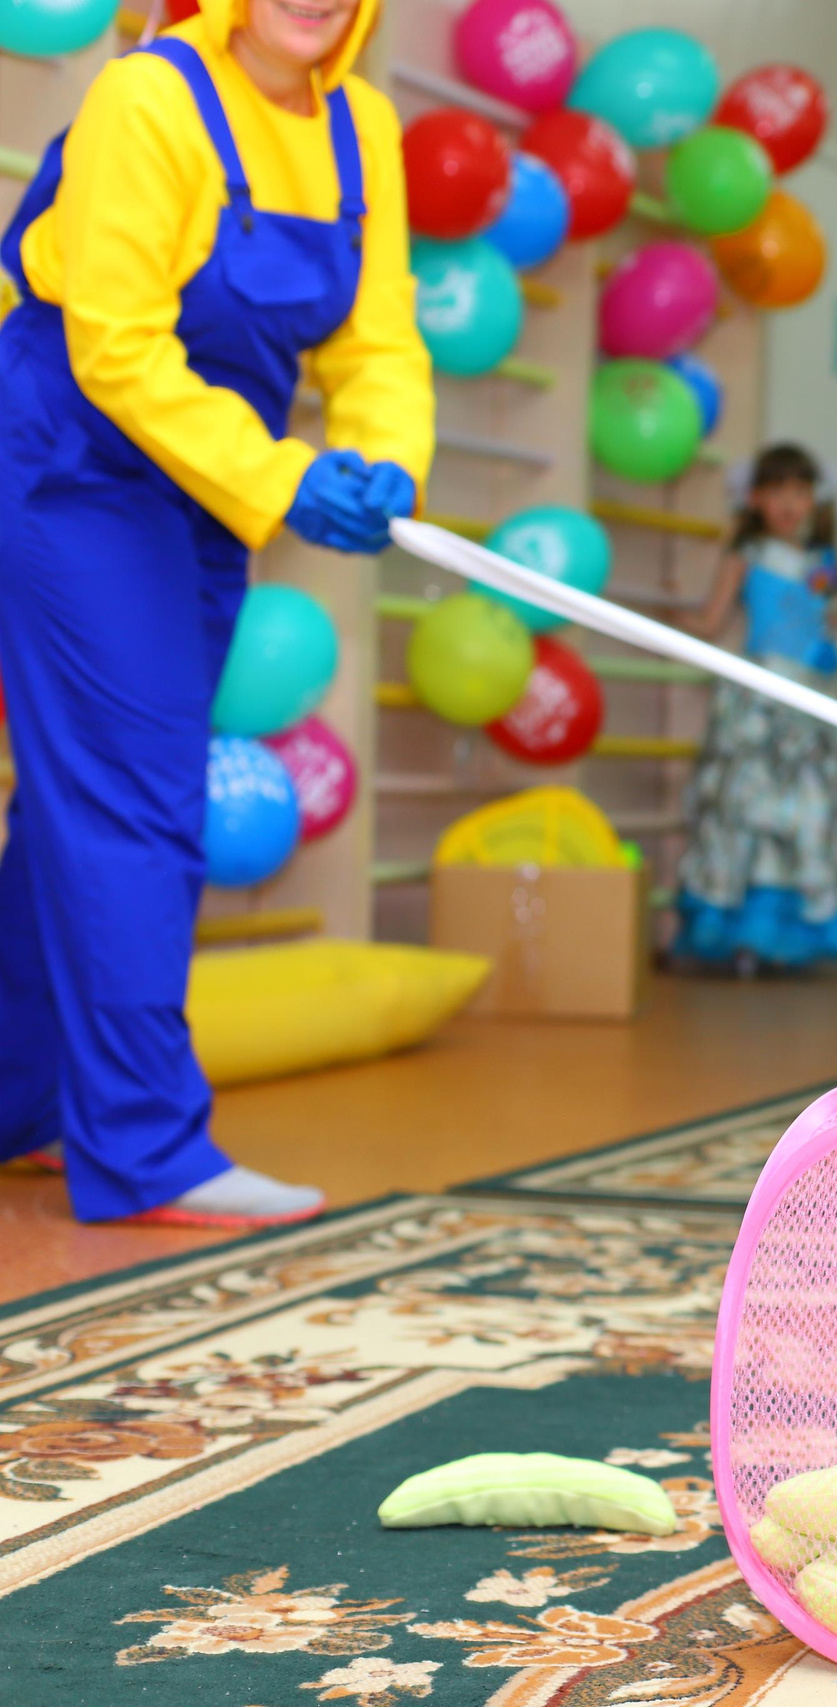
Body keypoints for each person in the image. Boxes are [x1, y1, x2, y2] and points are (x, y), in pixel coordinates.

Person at [0, 0, 430, 1227]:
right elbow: (120, 349)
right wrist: (289, 477)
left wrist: (384, 458)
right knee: (137, 795)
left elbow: (379, 343)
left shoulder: (363, 130)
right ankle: (145, 1150)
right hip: (74, 462)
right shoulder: (152, 98)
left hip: (203, 487)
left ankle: (23, 1100)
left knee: (78, 803)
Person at [670, 443, 837, 973]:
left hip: (817, 693)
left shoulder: (820, 562)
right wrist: (664, 617)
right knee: (751, 804)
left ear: (813, 499)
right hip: (764, 693)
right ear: (755, 500)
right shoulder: (744, 556)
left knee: (810, 808)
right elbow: (711, 621)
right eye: (777, 492)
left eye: (799, 491)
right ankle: (743, 929)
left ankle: (795, 928)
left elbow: (821, 622)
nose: (789, 503)